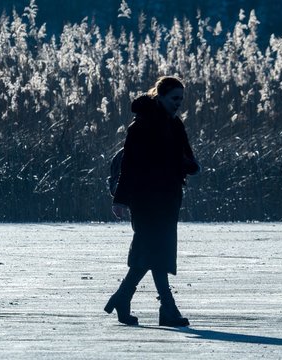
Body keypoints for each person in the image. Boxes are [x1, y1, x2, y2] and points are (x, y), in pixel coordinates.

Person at [104, 76, 200, 326]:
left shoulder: (175, 124)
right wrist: (120, 199)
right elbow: (129, 165)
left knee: (156, 252)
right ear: (161, 96)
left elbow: (187, 157)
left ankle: (125, 298)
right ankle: (166, 307)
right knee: (154, 251)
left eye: (181, 99)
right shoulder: (142, 125)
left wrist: (187, 165)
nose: (178, 103)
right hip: (145, 198)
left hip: (168, 197)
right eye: (174, 98)